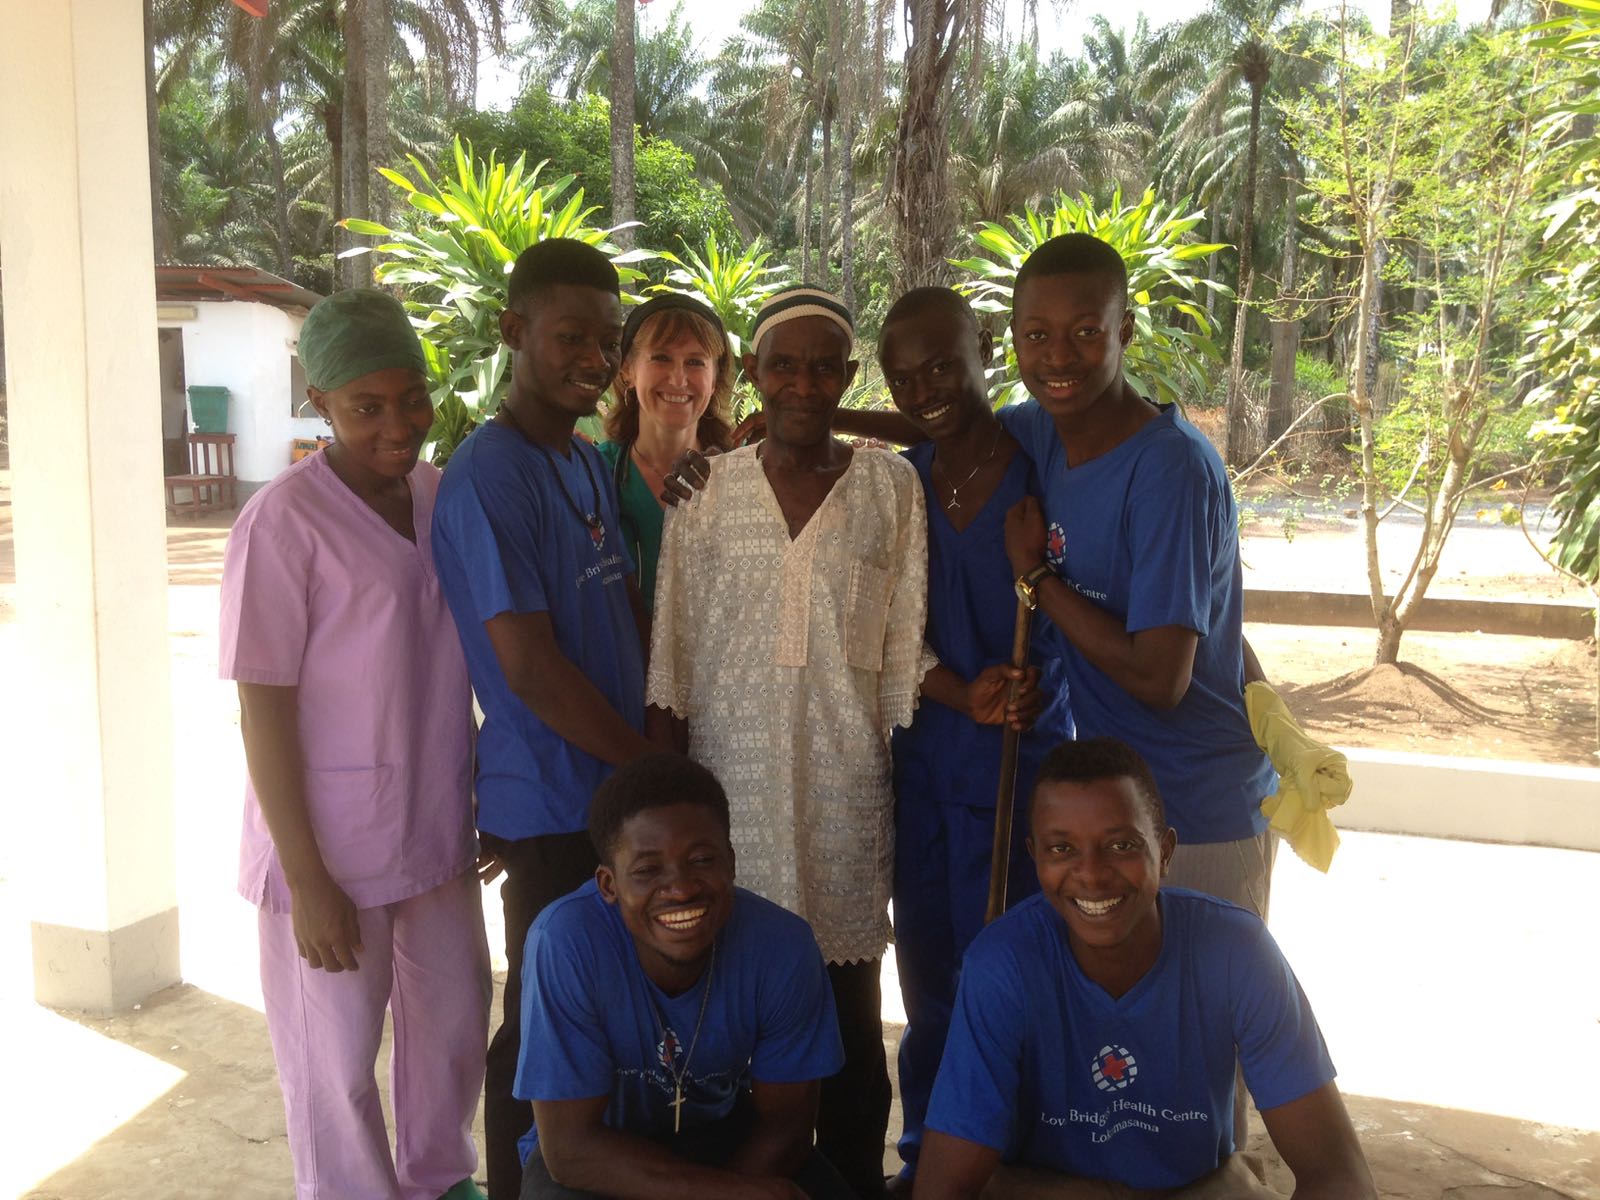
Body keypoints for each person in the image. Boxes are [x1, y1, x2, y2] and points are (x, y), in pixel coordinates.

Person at [647, 286, 930, 1198]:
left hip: (848, 792)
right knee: (737, 1006)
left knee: (849, 1026)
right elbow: (672, 659)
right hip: (734, 800)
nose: (803, 382)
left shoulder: (891, 485)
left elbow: (905, 647)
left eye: (822, 365)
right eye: (783, 364)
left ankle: (847, 1179)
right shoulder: (707, 490)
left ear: (846, 378)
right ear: (754, 376)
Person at [220, 288, 491, 1200]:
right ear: (320, 401)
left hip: (433, 827)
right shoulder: (282, 523)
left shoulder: (435, 491)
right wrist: (308, 882)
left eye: (409, 397)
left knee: (453, 1032)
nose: (396, 423)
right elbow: (260, 707)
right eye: (365, 407)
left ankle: (438, 1180)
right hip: (327, 847)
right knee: (332, 1067)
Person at [432, 239, 657, 1200]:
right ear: (513, 331)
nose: (593, 360)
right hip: (558, 805)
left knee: (601, 1019)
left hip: (607, 791)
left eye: (609, 342)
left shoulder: (579, 458)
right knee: (539, 1027)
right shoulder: (490, 474)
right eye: (571, 338)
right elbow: (526, 664)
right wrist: (646, 768)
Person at [913, 738, 1377, 1200]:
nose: (1091, 874)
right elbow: (944, 1187)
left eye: (1121, 845)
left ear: (1165, 850)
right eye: (1062, 849)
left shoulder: (1236, 950)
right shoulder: (1002, 964)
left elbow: (1338, 1176)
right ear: (1035, 856)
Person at [996, 233, 1277, 919]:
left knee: (1207, 1017)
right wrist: (811, 422)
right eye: (1038, 334)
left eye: (1087, 332)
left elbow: (1160, 677)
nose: (1059, 356)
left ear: (1125, 330)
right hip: (1121, 810)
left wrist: (1037, 578)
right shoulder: (1048, 426)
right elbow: (954, 430)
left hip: (1200, 811)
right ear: (1016, 340)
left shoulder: (1169, 469)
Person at [876, 288, 1074, 1189]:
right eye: (903, 377)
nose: (927, 389)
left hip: (1022, 772)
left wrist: (1027, 690)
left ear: (987, 348)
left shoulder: (1046, 457)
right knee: (929, 985)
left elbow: (1088, 601)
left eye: (944, 365)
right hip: (926, 766)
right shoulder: (898, 484)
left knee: (1017, 975)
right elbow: (875, 631)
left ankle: (1014, 1155)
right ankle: (931, 1159)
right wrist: (962, 693)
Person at [516, 753, 856, 1200]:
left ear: (731, 863)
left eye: (701, 860)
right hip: (600, 1154)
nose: (680, 888)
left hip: (727, 1139)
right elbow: (570, 1149)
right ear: (608, 885)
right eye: (647, 870)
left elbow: (787, 1128)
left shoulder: (783, 947)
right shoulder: (565, 941)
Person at [596, 292, 737, 609]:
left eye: (696, 362)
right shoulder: (596, 472)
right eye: (661, 358)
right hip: (623, 657)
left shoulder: (743, 476)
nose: (678, 378)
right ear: (627, 370)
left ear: (715, 379)